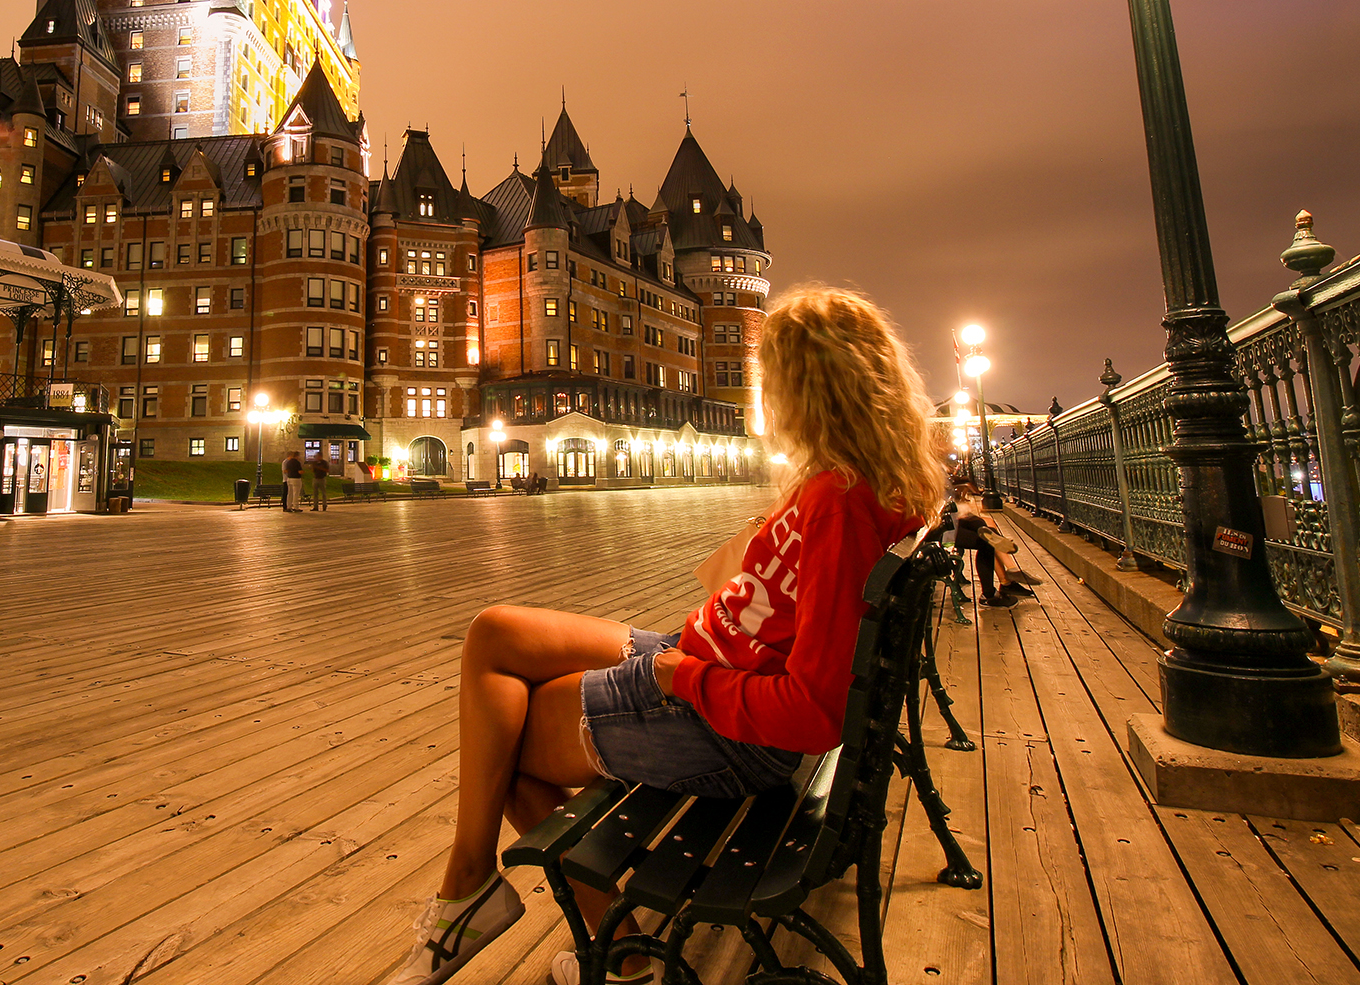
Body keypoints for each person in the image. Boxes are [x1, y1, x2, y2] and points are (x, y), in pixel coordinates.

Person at [389, 286, 947, 985]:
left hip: (715, 711)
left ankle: (599, 945)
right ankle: (470, 889)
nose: (764, 398)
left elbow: (813, 709)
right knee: (495, 633)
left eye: (771, 380)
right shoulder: (847, 486)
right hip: (702, 660)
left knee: (504, 749)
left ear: (805, 389)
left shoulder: (840, 503)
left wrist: (676, 676)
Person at [952, 486, 1040, 605]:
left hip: (950, 517)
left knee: (985, 525)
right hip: (941, 527)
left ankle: (1007, 580)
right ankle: (991, 593)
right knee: (985, 540)